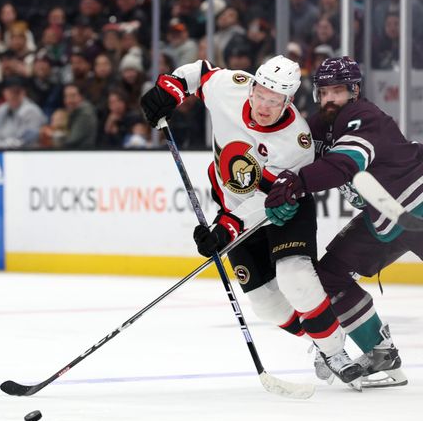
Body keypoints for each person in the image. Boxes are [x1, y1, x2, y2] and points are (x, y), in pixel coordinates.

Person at [140, 55, 364, 386]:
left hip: (284, 209)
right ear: (253, 86)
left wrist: (227, 227)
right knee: (268, 306)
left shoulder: (296, 143)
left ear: (288, 101)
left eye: (274, 101)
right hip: (233, 210)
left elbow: (268, 199)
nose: (263, 105)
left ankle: (335, 350)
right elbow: (200, 74)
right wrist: (170, 88)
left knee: (295, 278)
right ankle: (318, 340)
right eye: (260, 94)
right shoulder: (231, 87)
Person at [265, 56, 421, 387]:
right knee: (328, 277)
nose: (331, 98)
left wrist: (296, 183)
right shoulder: (323, 125)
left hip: (417, 205)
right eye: (325, 92)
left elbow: (343, 163)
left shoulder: (362, 117)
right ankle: (381, 353)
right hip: (385, 220)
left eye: (339, 90)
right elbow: (293, 148)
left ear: (355, 91)